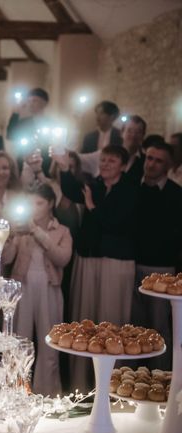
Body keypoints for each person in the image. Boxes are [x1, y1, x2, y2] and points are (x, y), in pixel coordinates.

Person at [57, 144, 138, 391]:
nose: (105, 164)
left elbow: (116, 223)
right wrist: (63, 168)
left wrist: (92, 207)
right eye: (103, 160)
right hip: (88, 257)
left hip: (116, 261)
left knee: (111, 318)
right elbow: (71, 190)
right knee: (86, 316)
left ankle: (111, 387)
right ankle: (81, 384)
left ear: (123, 166)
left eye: (111, 161)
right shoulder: (95, 185)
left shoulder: (131, 189)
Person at [2, 184, 72, 395]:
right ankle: (17, 391)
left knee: (49, 342)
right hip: (22, 285)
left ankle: (48, 394)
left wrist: (36, 232)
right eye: (31, 203)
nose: (34, 208)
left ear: (50, 204)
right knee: (19, 340)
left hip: (49, 287)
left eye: (39, 203)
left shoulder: (61, 230)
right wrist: (11, 236)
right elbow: (6, 259)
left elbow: (63, 258)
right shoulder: (20, 229)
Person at [131, 142, 182, 370]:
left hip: (162, 269)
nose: (151, 164)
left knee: (160, 329)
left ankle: (162, 378)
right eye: (149, 158)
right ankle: (134, 377)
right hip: (131, 265)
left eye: (158, 160)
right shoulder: (132, 187)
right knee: (134, 328)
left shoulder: (176, 194)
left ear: (168, 164)